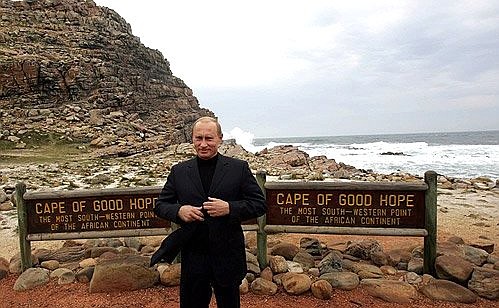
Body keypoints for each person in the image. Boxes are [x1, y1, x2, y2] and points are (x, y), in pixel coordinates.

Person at [153, 116, 266, 308]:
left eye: (209, 138)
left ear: (220, 139)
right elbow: (161, 205)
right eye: (199, 138)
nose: (203, 144)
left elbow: (259, 204)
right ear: (192, 139)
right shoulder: (179, 171)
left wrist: (230, 208)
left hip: (227, 254)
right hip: (194, 256)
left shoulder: (238, 169)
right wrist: (179, 210)